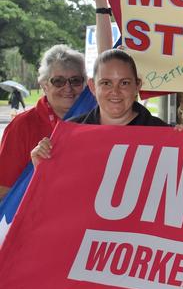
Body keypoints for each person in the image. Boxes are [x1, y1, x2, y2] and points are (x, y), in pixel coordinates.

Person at [31, 49, 168, 167]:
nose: (115, 91)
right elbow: (58, 192)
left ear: (137, 86)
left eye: (124, 83)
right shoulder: (69, 134)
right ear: (92, 86)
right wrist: (42, 168)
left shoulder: (165, 135)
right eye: (106, 83)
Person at [0, 45, 86, 199]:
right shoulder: (22, 126)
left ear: (84, 85)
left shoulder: (96, 120)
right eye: (58, 81)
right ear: (45, 85)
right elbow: (3, 191)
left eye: (75, 81)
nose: (68, 88)